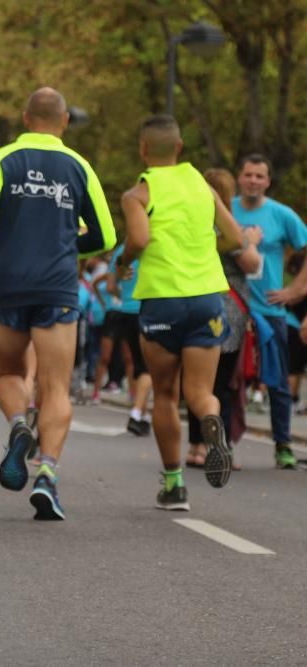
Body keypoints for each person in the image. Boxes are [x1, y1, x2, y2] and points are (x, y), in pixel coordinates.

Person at [0, 87, 116, 520]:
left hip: (8, 283)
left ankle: (18, 427)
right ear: (65, 120)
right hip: (57, 287)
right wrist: (68, 245)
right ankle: (47, 475)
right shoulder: (79, 165)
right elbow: (106, 236)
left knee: (10, 371)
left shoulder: (1, 159)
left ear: (26, 117)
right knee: (55, 387)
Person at [118, 114, 243, 511]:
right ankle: (212, 424)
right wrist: (203, 252)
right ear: (179, 147)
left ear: (142, 149)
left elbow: (138, 238)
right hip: (208, 297)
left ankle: (174, 484)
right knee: (202, 393)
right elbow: (236, 237)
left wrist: (124, 261)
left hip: (163, 301)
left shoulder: (138, 194)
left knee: (167, 395)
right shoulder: (201, 186)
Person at [231, 154, 307, 470]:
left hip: (270, 309)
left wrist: (297, 290)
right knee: (227, 381)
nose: (253, 181)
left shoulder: (281, 214)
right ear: (239, 177)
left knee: (276, 380)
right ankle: (223, 444)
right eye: (248, 174)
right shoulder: (227, 209)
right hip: (233, 306)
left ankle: (283, 444)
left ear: (268, 181)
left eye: (259, 176)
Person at [184, 168, 262, 469]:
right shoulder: (228, 228)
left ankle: (195, 446)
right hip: (227, 312)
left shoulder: (192, 228)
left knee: (193, 383)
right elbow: (251, 262)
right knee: (222, 384)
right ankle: (221, 446)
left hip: (194, 305)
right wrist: (252, 239)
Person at [106, 244, 153, 435]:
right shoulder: (149, 246)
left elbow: (110, 286)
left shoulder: (120, 252)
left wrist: (125, 296)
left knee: (136, 364)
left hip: (125, 312)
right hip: (147, 309)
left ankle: (144, 414)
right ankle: (135, 413)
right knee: (148, 368)